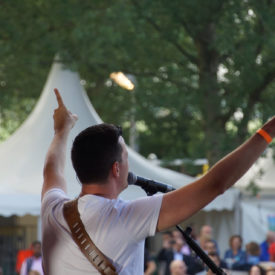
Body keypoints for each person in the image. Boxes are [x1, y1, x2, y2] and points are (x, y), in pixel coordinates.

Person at [41, 88, 275, 274]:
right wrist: (268, 131)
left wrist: (61, 131)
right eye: (126, 157)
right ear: (116, 168)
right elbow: (215, 184)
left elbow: (52, 170)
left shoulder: (53, 211)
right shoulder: (125, 217)